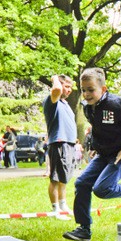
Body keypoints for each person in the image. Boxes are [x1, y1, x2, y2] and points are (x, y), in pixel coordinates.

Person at [62, 67, 121, 241]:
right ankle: (84, 229)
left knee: (101, 189)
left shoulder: (117, 105)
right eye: (83, 90)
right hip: (103, 154)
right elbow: (99, 129)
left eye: (91, 90)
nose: (86, 94)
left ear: (103, 89)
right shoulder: (87, 108)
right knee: (82, 183)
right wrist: (96, 145)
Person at [44, 74, 77, 220]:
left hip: (68, 143)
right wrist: (55, 78)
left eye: (71, 87)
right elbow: (56, 88)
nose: (69, 90)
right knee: (56, 179)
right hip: (58, 142)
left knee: (64, 178)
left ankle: (63, 205)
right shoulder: (53, 100)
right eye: (67, 87)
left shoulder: (65, 103)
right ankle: (55, 209)